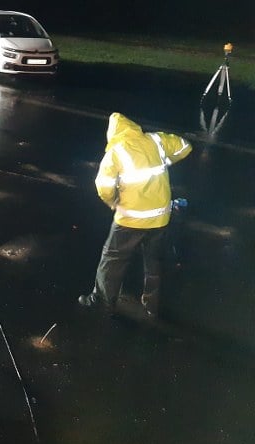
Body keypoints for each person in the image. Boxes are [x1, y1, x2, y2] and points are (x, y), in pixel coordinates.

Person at [79, 112, 192, 317]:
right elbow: (185, 146)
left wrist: (113, 202)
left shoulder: (116, 151)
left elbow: (103, 186)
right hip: (160, 217)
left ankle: (103, 301)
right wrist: (166, 160)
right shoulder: (155, 140)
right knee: (154, 261)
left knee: (112, 258)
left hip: (130, 219)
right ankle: (152, 305)